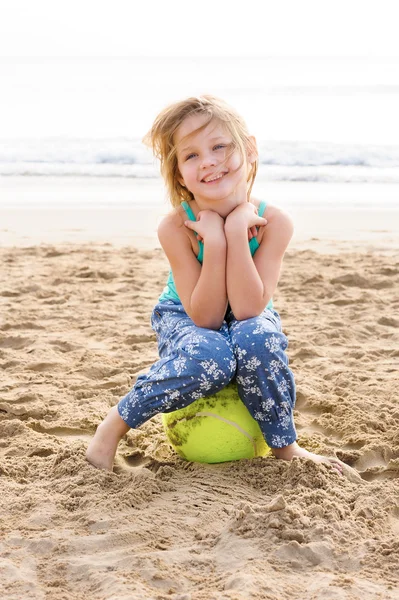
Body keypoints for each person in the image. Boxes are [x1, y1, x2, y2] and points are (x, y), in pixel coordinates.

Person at [86, 95, 344, 475]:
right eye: (190, 156)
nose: (207, 160)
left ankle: (286, 447)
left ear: (250, 150)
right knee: (212, 356)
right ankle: (112, 427)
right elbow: (205, 317)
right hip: (186, 313)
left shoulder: (275, 222)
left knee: (257, 337)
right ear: (178, 175)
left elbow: (247, 310)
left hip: (248, 307)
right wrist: (217, 242)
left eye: (220, 146)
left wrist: (237, 232)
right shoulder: (176, 227)